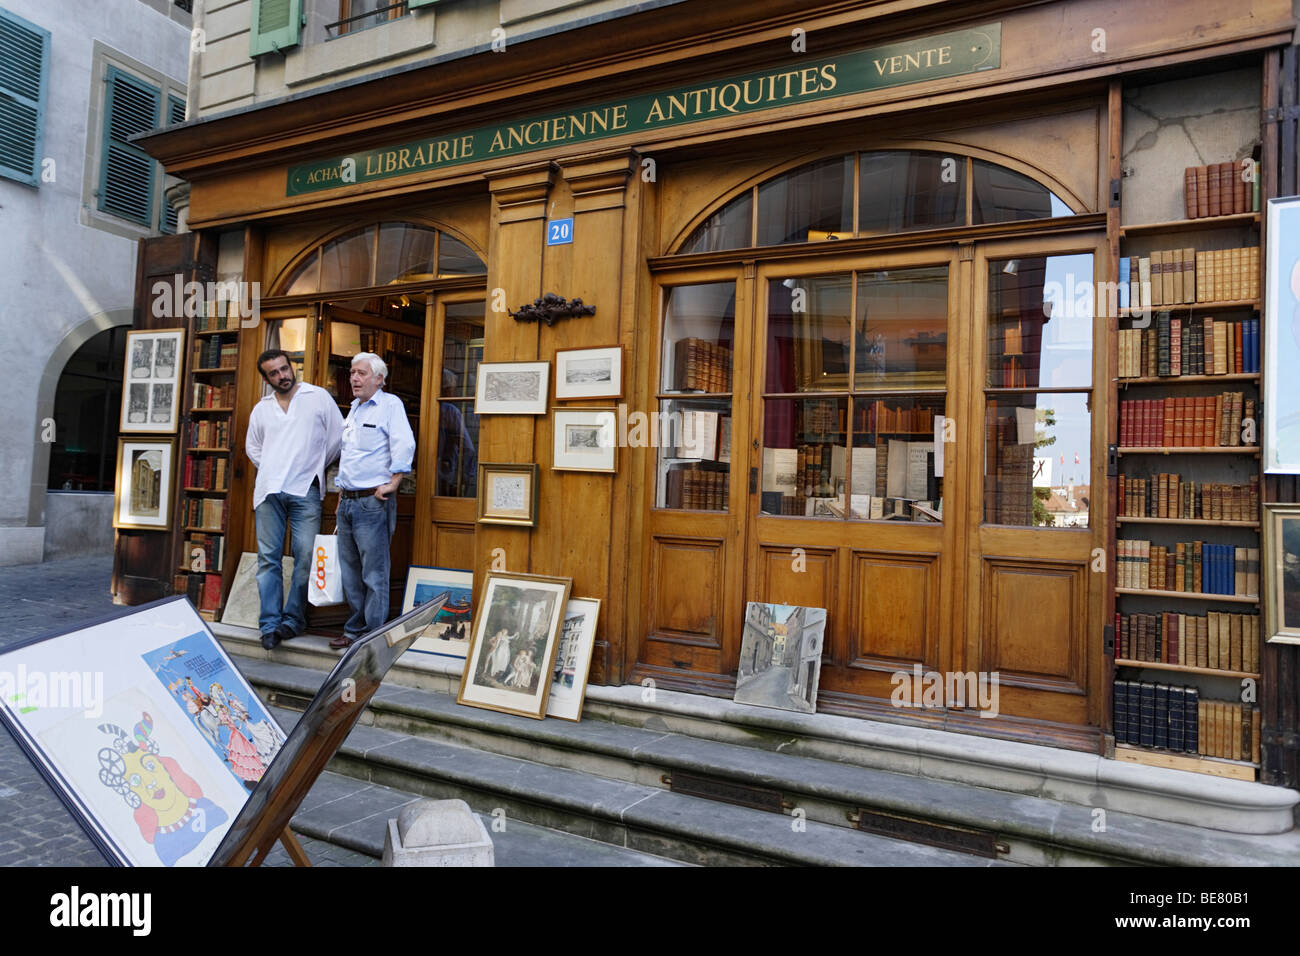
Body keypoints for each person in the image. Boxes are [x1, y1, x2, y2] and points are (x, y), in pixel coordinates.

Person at [246, 349, 344, 650]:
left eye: (284, 369)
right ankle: (269, 625)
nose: (282, 376)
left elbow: (338, 437)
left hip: (306, 490)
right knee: (268, 560)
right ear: (266, 378)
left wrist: (313, 466)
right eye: (274, 373)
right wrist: (275, 467)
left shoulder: (317, 397)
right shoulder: (261, 408)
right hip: (268, 491)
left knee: (305, 559)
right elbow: (253, 447)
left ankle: (293, 620)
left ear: (292, 368)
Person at [330, 352, 416, 649]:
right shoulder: (354, 409)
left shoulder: (390, 405)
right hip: (349, 501)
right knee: (350, 570)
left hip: (372, 501)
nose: (354, 378)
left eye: (361, 373)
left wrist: (393, 483)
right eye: (353, 372)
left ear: (379, 379)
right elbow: (350, 456)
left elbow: (404, 444)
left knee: (374, 572)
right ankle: (354, 629)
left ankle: (373, 634)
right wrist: (341, 493)